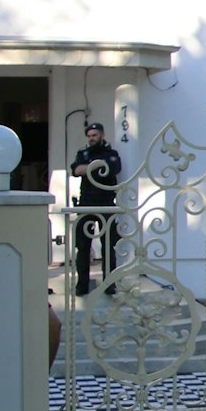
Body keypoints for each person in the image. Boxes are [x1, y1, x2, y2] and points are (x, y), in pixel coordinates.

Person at [70, 121, 125, 295]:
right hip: (86, 203)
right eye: (89, 136)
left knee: (109, 246)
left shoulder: (111, 153)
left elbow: (113, 168)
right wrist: (98, 165)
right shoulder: (83, 153)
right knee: (83, 247)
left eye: (95, 135)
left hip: (106, 203)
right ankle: (82, 285)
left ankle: (110, 284)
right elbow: (76, 170)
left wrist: (90, 167)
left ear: (102, 135)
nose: (92, 138)